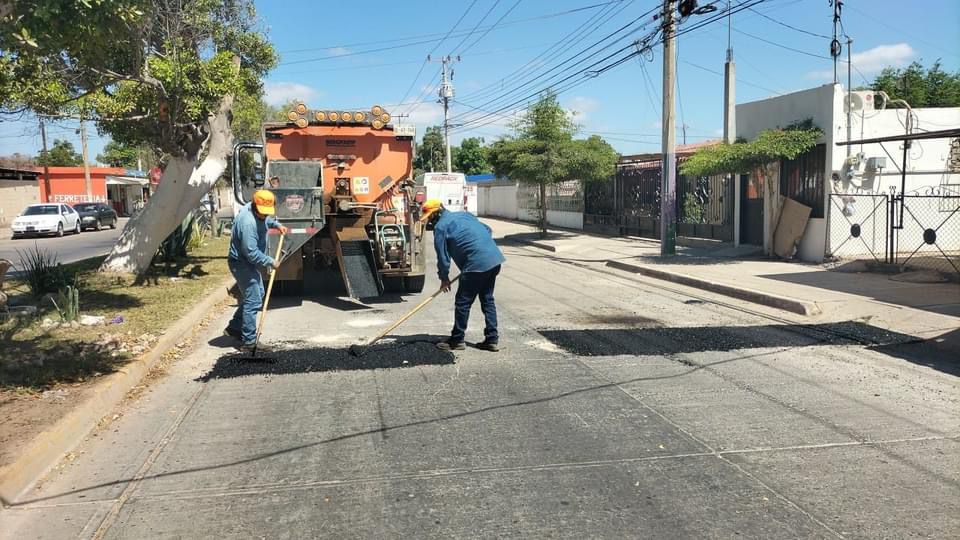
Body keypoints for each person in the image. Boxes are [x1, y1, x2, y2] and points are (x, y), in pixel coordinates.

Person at [421, 199, 505, 352]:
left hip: (476, 265)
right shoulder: (465, 215)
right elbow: (487, 229)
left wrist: (444, 278)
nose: (429, 220)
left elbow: (443, 257)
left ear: (437, 213)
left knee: (463, 303)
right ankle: (492, 339)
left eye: (430, 216)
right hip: (494, 260)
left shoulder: (441, 227)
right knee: (487, 299)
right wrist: (479, 247)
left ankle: (457, 340)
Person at [225, 189, 288, 352]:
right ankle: (249, 342)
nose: (263, 215)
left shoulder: (255, 210)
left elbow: (267, 220)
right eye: (261, 213)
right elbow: (251, 253)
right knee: (254, 299)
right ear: (255, 205)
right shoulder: (248, 223)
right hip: (241, 263)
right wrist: (270, 261)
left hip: (246, 262)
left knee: (256, 294)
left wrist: (277, 225)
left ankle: (235, 327)